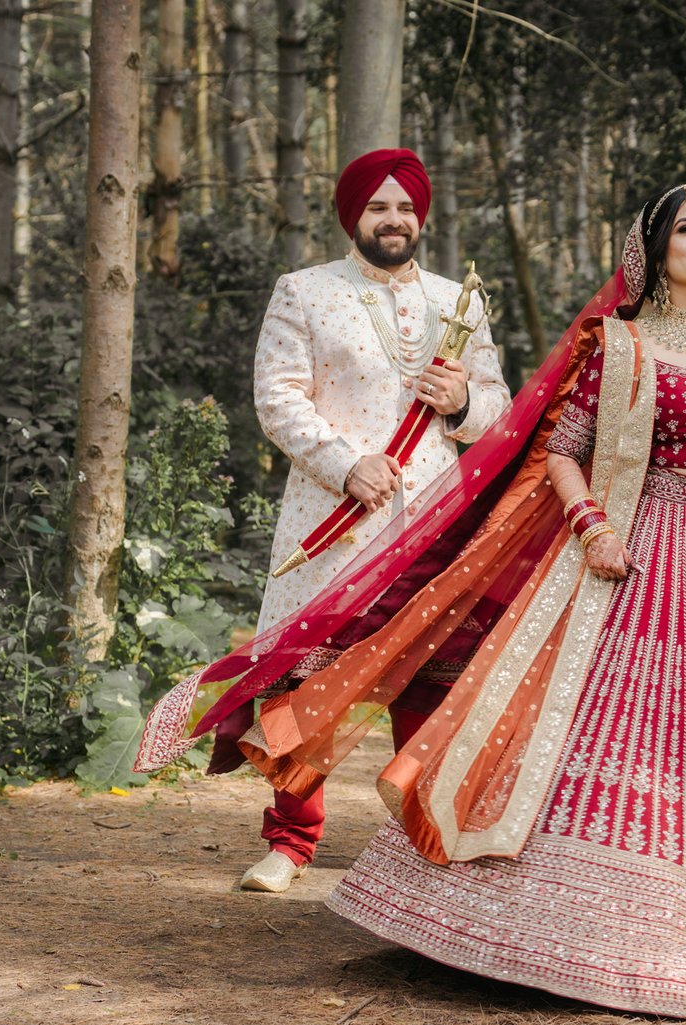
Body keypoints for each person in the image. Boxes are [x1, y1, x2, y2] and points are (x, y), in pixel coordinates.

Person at [140, 182, 686, 1018]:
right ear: (654, 249)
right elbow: (563, 445)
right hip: (638, 557)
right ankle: (568, 925)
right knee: (624, 732)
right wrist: (594, 524)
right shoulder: (623, 345)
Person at [223, 148, 508, 893]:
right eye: (378, 208)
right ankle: (290, 842)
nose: (394, 220)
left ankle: (423, 841)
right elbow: (277, 397)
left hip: (434, 523)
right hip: (337, 519)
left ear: (422, 217)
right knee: (306, 683)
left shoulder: (460, 301)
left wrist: (463, 405)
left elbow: (499, 408)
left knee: (431, 681)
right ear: (354, 217)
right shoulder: (305, 291)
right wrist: (345, 460)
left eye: (405, 208)